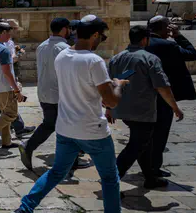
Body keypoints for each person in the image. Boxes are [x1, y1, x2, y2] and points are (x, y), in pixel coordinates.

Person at [14, 15, 128, 213]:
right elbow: (110, 100)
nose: (101, 41)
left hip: (66, 128)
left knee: (57, 172)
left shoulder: (63, 56)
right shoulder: (94, 61)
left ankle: (25, 208)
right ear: (94, 35)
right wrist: (118, 85)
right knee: (110, 178)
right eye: (101, 37)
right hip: (93, 130)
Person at [109, 25, 184, 189]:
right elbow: (162, 86)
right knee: (136, 146)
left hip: (123, 109)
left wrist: (109, 108)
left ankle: (150, 178)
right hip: (142, 111)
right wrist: (175, 107)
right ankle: (111, 181)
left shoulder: (116, 58)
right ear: (145, 39)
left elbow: (111, 84)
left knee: (144, 143)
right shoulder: (150, 59)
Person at [20, 18, 89, 171]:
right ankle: (71, 161)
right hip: (60, 94)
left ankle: (29, 147)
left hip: (45, 92)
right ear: (65, 29)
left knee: (51, 124)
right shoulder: (64, 48)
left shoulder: (42, 46)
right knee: (70, 126)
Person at [145, 15, 196, 178]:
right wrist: (178, 36)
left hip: (143, 97)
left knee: (145, 135)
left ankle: (146, 168)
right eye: (168, 25)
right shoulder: (168, 46)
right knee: (160, 134)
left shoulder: (141, 45)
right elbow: (192, 54)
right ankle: (153, 169)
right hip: (163, 97)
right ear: (163, 28)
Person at [0, 20, 35, 137]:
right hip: (5, 86)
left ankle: (6, 141)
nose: (11, 36)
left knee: (5, 113)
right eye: (9, 33)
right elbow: (7, 72)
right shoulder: (3, 49)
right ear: (3, 32)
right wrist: (16, 90)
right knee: (11, 114)